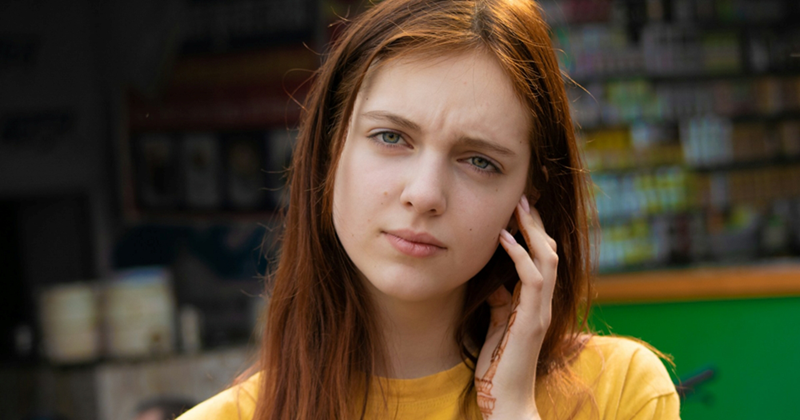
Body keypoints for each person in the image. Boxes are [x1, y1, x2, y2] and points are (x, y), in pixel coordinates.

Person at [178, 0, 680, 419]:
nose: (424, 193)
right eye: (391, 137)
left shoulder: (618, 393)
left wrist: (513, 411)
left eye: (479, 161)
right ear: (332, 150)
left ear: (528, 197)